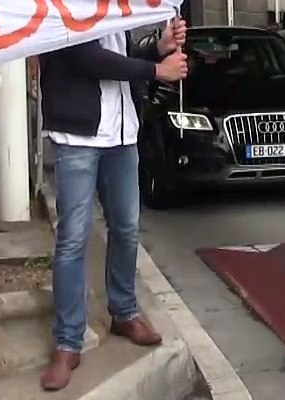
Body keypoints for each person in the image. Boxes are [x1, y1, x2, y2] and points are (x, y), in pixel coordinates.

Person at [36, 21, 189, 392]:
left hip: (122, 132)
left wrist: (156, 48)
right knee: (73, 239)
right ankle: (68, 341)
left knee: (126, 228)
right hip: (78, 136)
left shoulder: (112, 5)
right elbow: (89, 59)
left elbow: (118, 57)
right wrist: (157, 69)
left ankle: (124, 313)